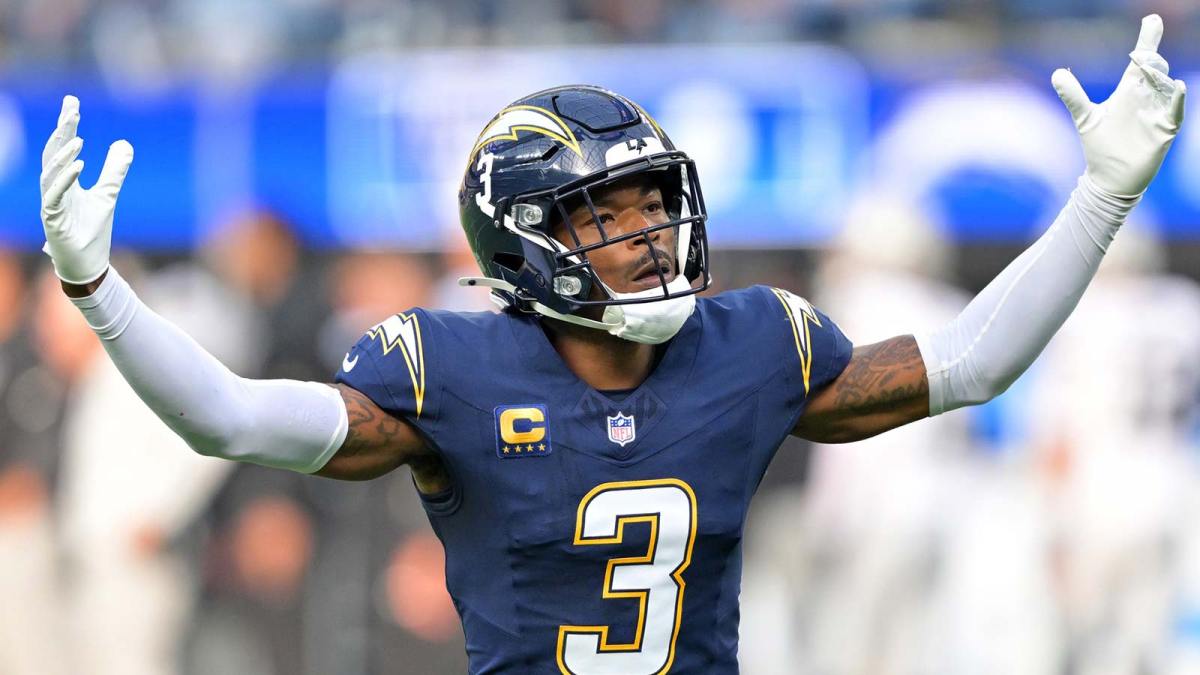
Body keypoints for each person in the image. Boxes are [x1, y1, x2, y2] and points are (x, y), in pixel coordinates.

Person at [37, 15, 1185, 674]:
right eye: (605, 214)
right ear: (524, 242)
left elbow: (970, 364)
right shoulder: (452, 368)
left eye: (651, 203)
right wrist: (99, 291)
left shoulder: (751, 342)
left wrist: (1100, 200)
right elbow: (229, 418)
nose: (646, 235)